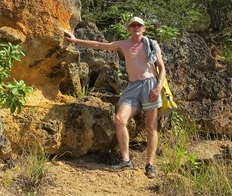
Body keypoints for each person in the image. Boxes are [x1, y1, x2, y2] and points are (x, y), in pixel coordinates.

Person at [63, 17, 166, 179]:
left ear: (144, 28)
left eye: (139, 25)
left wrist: (158, 87)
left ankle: (150, 165)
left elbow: (161, 67)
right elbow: (99, 45)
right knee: (119, 119)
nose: (136, 28)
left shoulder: (152, 44)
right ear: (128, 29)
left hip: (150, 85)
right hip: (133, 87)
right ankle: (126, 160)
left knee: (151, 127)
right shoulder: (123, 44)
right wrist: (75, 40)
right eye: (133, 25)